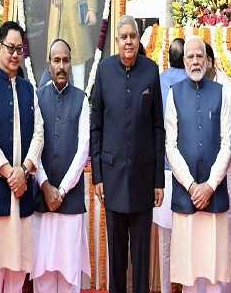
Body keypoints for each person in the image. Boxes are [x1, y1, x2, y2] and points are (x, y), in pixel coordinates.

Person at [90, 15, 164, 293]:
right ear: (117, 42)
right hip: (112, 180)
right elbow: (96, 125)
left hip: (144, 181)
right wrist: (98, 175)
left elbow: (158, 127)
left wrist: (159, 180)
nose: (129, 41)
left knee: (141, 259)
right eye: (123, 37)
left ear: (138, 38)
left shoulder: (151, 71)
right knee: (117, 258)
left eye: (133, 36)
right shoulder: (104, 70)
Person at [0, 21, 45, 293]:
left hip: (22, 194)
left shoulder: (29, 90)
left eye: (19, 49)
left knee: (17, 273)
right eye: (10, 48)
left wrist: (24, 171)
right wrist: (9, 174)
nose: (15, 54)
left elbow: (39, 132)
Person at [163, 36, 231, 293]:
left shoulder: (222, 93)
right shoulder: (174, 95)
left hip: (214, 194)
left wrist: (210, 185)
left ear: (207, 60)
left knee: (214, 270)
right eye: (190, 57)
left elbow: (228, 143)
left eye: (199, 57)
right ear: (184, 61)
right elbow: (170, 145)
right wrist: (193, 186)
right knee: (190, 271)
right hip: (187, 194)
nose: (195, 61)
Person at [32, 39, 91, 293]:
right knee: (43, 273)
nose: (61, 66)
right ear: (49, 63)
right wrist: (46, 187)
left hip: (70, 200)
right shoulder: (37, 98)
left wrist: (62, 191)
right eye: (56, 60)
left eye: (66, 60)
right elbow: (34, 146)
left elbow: (83, 150)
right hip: (42, 201)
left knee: (69, 275)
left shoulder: (82, 99)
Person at [153, 37, 188, 293]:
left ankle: (166, 288)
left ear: (168, 58)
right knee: (187, 241)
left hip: (164, 171)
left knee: (166, 242)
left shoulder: (159, 81)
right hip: (189, 175)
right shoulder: (193, 82)